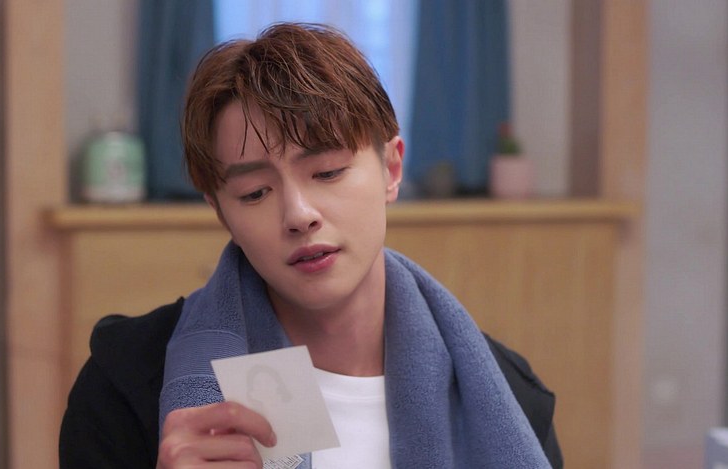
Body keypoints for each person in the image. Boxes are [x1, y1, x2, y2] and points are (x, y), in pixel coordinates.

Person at [60, 23, 563, 469]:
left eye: (327, 172)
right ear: (220, 211)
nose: (299, 214)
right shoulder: (126, 384)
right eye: (254, 193)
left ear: (391, 169)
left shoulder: (506, 396)